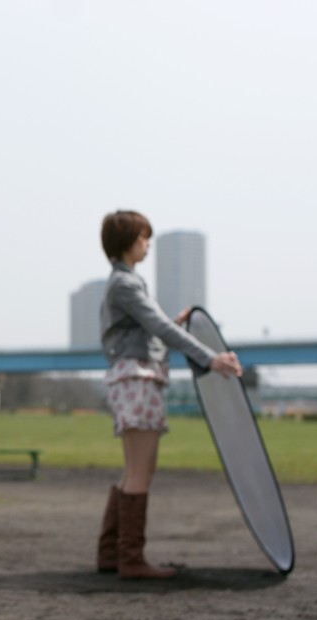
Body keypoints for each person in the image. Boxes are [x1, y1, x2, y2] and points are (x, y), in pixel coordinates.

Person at [96, 210, 242, 580]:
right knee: (141, 472)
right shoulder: (126, 285)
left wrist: (173, 327)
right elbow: (157, 325)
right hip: (138, 379)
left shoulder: (123, 283)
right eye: (144, 237)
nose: (147, 243)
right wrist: (211, 358)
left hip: (130, 378)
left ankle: (111, 554)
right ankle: (131, 559)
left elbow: (151, 327)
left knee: (132, 470)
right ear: (129, 242)